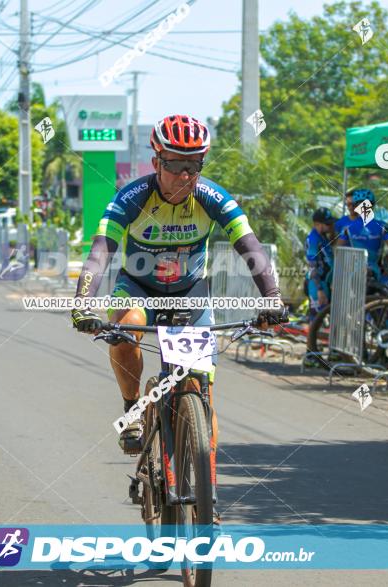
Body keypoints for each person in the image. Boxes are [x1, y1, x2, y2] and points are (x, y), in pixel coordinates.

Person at [69, 114, 287, 456]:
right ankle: (132, 409)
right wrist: (82, 304)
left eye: (194, 165)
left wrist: (272, 298)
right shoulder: (132, 198)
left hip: (189, 292)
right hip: (138, 289)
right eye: (175, 164)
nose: (185, 175)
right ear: (156, 162)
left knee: (200, 385)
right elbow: (99, 254)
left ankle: (205, 488)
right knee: (127, 329)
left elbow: (252, 248)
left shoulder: (212, 197)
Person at [336, 188, 388, 287]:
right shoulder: (382, 226)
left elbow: (338, 250)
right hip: (375, 272)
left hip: (353, 273)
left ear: (356, 206)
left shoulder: (347, 228)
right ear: (372, 205)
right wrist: (386, 264)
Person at [305, 207, 337, 317]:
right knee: (317, 320)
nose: (330, 226)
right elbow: (312, 265)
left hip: (326, 283)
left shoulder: (323, 237)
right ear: (317, 224)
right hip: (318, 284)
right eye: (327, 224)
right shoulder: (313, 239)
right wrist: (319, 290)